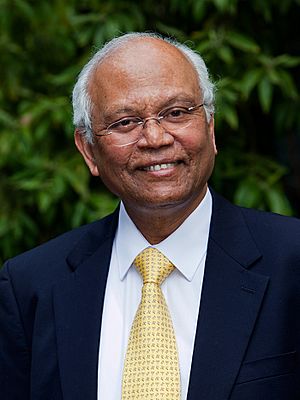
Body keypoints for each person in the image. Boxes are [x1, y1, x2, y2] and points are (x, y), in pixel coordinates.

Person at [0, 32, 299, 400]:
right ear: (89, 150)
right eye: (126, 122)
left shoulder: (292, 261)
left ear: (210, 127)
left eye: (176, 113)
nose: (155, 138)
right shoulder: (31, 286)